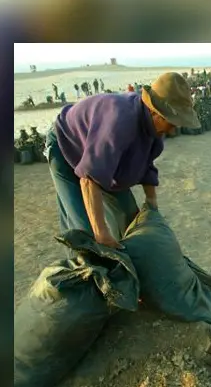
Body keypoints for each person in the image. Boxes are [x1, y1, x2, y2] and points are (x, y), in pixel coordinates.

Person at [45, 71, 196, 253]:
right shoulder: (119, 122)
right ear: (156, 113)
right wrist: (101, 233)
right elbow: (89, 178)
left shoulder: (155, 131)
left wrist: (151, 203)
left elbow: (146, 165)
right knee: (84, 231)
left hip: (101, 156)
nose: (173, 130)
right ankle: (86, 272)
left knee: (130, 218)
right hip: (65, 144)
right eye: (172, 123)